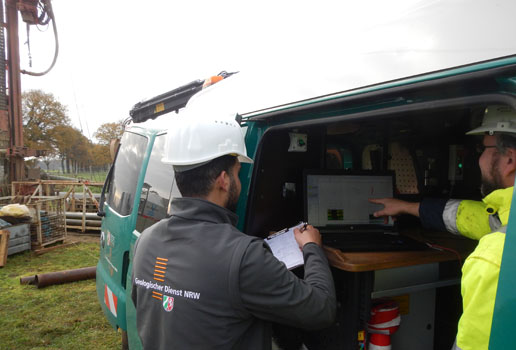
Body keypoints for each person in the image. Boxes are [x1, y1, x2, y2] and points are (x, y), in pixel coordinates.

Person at [131, 113, 336, 350]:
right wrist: (312, 247)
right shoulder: (245, 257)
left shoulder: (145, 241)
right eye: (238, 172)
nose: (238, 180)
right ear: (223, 180)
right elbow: (321, 309)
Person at [370, 105, 516, 350]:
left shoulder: (496, 258)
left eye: (482, 148)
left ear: (509, 159)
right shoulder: (503, 222)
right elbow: (469, 216)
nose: (477, 158)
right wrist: (406, 207)